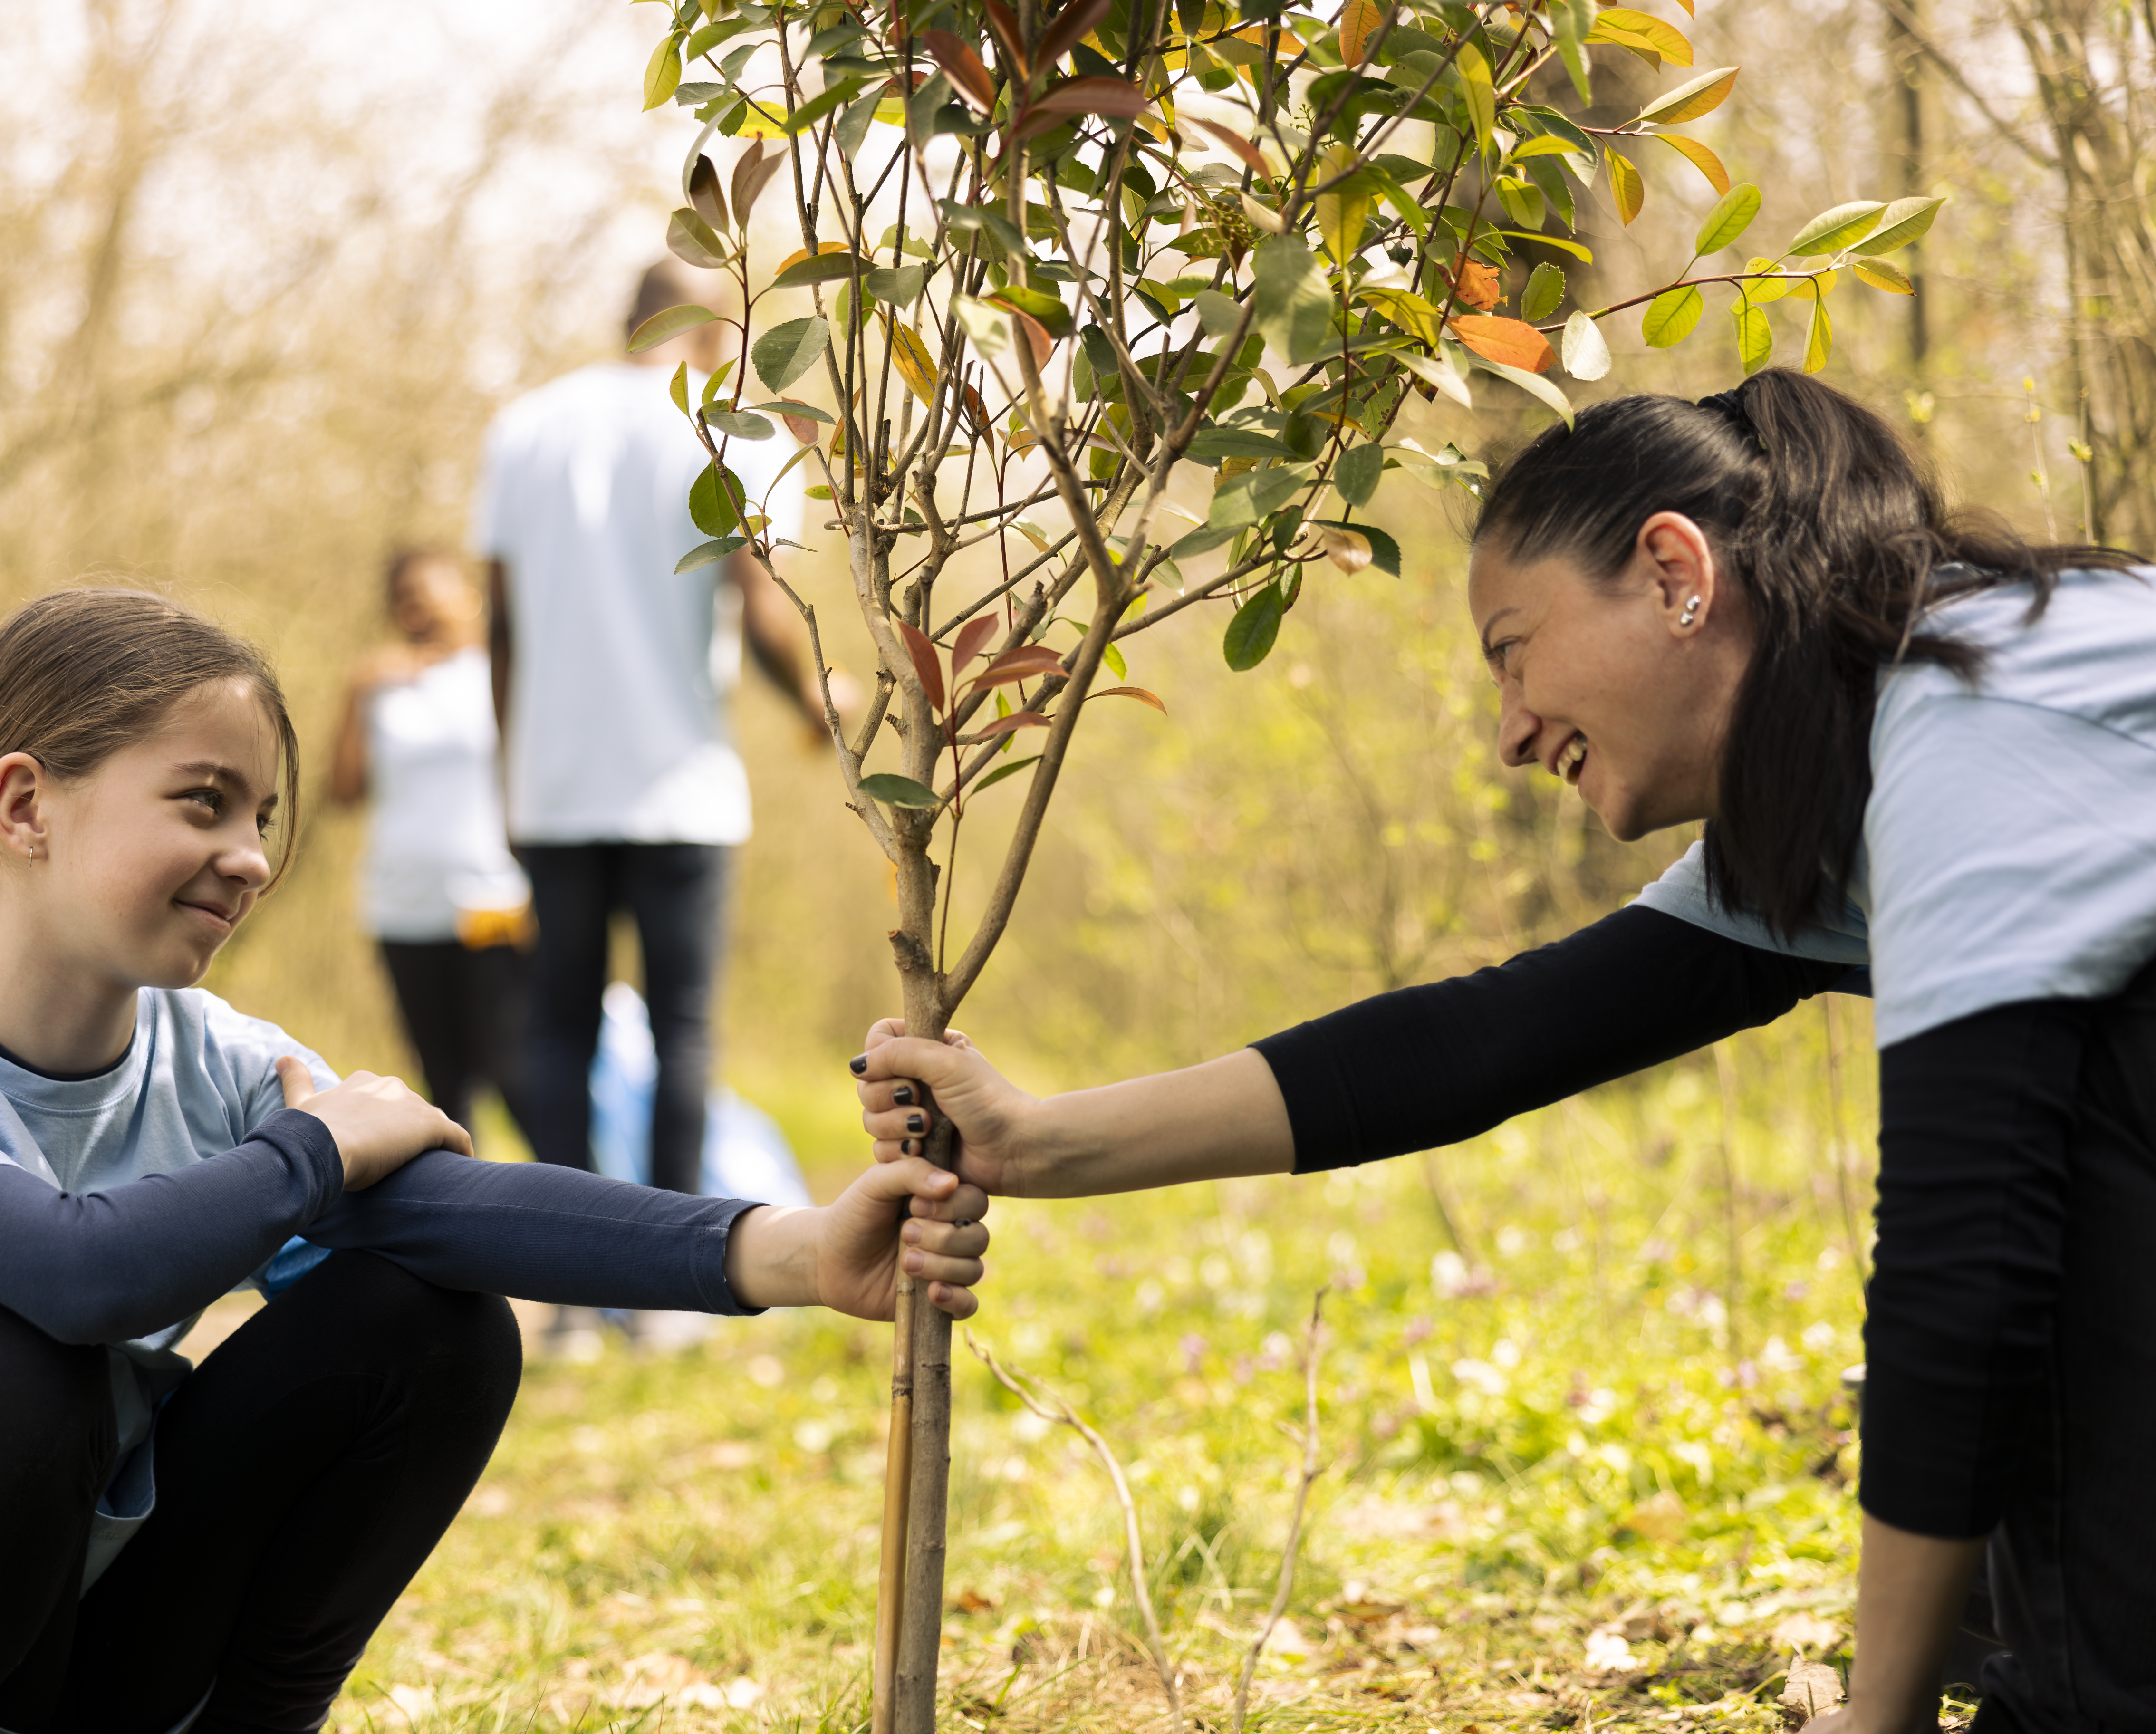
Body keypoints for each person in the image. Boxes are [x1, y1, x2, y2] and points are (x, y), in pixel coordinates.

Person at [851, 371, 2156, 1734]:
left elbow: (1966, 1256)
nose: (1512, 732)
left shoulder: (1973, 724)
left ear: (1673, 575)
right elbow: (1485, 1042)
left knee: (2033, 1180)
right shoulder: (1872, 760)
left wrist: (1876, 1716)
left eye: (1515, 649)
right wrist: (1034, 1140)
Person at [0, 586, 988, 1734]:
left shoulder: (213, 1058)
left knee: (430, 1319)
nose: (250, 859)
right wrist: (312, 1150)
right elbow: (78, 1275)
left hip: (70, 1638)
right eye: (203, 804)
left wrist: (801, 1249)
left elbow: (454, 1211)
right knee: (7, 1364)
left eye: (261, 814)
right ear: (25, 805)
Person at [478, 260, 839, 1196]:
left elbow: (502, 629)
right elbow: (760, 606)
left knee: (561, 1024)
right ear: (718, 328)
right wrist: (816, 698)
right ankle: (672, 1274)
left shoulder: (527, 428)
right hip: (681, 788)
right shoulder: (729, 429)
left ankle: (572, 1274)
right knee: (682, 1027)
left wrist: (508, 784)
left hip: (554, 790)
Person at [328, 545, 529, 1136]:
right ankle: (469, 1222)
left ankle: (585, 1210)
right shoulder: (383, 683)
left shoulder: (502, 671)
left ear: (467, 591)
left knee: (520, 1078)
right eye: (404, 596)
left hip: (495, 903)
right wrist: (355, 691)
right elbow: (343, 791)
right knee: (446, 1089)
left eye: (429, 588)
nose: (417, 605)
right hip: (402, 906)